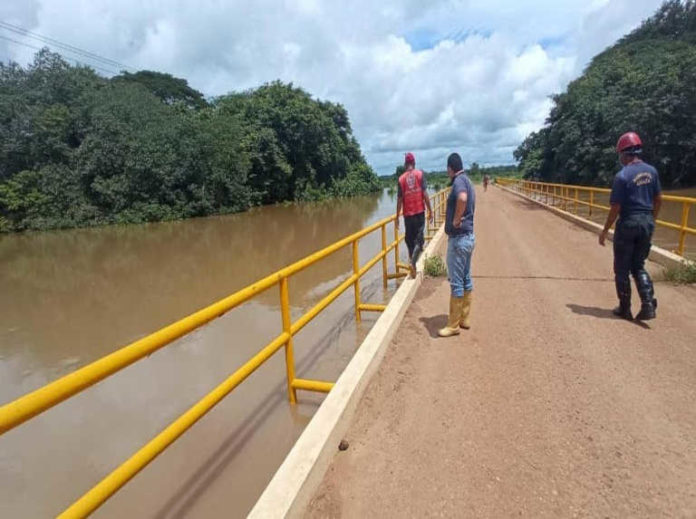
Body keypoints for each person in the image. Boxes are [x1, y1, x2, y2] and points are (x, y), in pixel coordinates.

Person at [599, 131, 661, 321]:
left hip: (628, 223)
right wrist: (652, 220)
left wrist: (605, 230)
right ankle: (648, 305)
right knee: (638, 266)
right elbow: (658, 199)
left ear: (624, 154)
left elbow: (615, 207)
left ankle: (624, 308)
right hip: (646, 222)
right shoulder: (652, 171)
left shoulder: (622, 176)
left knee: (622, 268)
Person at [438, 153, 476, 337]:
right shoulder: (468, 180)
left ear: (450, 168)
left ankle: (453, 325)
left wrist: (455, 219)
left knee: (456, 281)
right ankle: (464, 319)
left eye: (447, 169)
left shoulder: (459, 181)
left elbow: (461, 198)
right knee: (466, 277)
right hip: (468, 238)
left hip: (459, 239)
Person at [396, 152, 433, 278]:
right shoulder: (420, 175)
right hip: (419, 213)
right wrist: (430, 210)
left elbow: (399, 200)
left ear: (405, 164)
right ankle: (412, 263)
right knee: (420, 240)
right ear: (414, 163)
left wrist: (396, 217)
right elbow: (425, 194)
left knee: (410, 240)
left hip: (407, 215)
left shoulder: (401, 179)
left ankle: (413, 267)